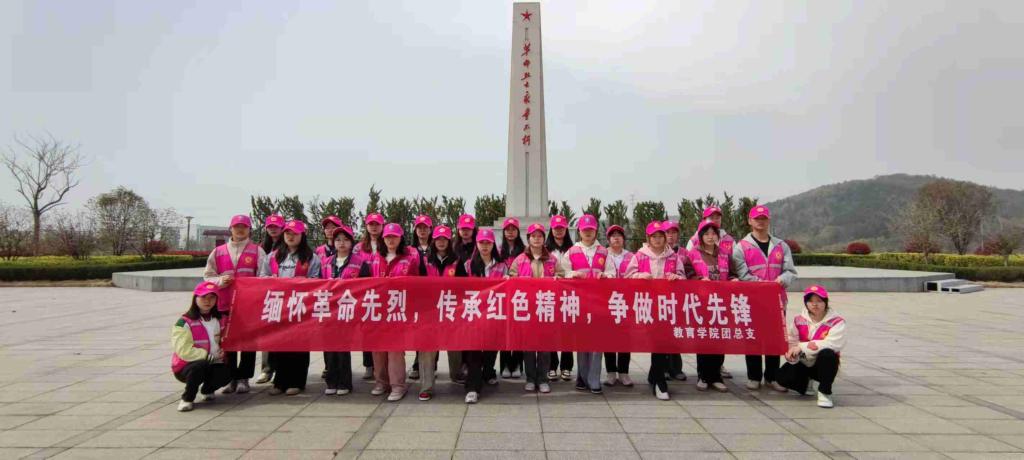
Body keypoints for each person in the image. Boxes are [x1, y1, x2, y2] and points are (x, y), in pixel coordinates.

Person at [732, 205, 797, 391]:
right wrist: (764, 286)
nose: (760, 221)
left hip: (777, 301)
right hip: (752, 301)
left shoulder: (781, 246)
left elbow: (790, 271)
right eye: (757, 218)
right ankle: (754, 377)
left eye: (764, 218)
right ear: (750, 221)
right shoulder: (741, 247)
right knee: (752, 338)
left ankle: (772, 377)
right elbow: (743, 274)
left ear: (769, 221)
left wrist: (782, 279)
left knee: (773, 339)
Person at [203, 214, 267, 395]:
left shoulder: (257, 251)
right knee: (227, 342)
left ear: (249, 230)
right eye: (236, 226)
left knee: (248, 343)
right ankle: (230, 378)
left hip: (248, 305)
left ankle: (244, 378)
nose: (240, 230)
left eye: (244, 227)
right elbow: (208, 275)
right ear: (230, 229)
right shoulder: (218, 252)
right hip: (224, 303)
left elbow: (263, 276)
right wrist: (219, 281)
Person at [259, 220, 321, 395]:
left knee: (299, 345)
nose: (291, 237)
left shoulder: (311, 257)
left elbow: (316, 280)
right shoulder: (273, 256)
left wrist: (301, 283)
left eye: (295, 233)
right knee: (279, 344)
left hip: (301, 306)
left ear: (302, 236)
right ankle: (280, 382)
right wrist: (270, 280)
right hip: (279, 306)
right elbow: (262, 276)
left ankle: (297, 381)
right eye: (287, 233)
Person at [625, 221, 684, 401]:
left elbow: (683, 277)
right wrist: (639, 276)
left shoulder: (673, 257)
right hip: (647, 306)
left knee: (663, 343)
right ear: (648, 238)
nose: (657, 240)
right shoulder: (640, 256)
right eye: (654, 237)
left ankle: (655, 377)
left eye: (660, 236)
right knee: (657, 342)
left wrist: (676, 277)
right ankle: (659, 382)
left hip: (667, 306)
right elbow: (627, 277)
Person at [508, 223, 565, 394]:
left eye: (540, 236)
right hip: (527, 308)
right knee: (528, 346)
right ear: (528, 239)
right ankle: (530, 378)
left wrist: (557, 278)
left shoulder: (552, 259)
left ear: (544, 239)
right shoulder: (520, 259)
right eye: (533, 236)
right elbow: (512, 276)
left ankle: (543, 379)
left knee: (545, 347)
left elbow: (561, 275)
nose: (537, 239)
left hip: (545, 308)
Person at [366, 223, 420, 402]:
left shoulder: (409, 259)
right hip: (377, 308)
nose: (390, 240)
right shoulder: (375, 258)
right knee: (378, 349)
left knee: (395, 349)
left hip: (398, 309)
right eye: (388, 237)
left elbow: (415, 285)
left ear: (400, 238)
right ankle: (381, 382)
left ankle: (398, 385)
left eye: (394, 237)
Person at [561, 214, 612, 395]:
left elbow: (612, 272)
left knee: (597, 344)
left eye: (591, 230)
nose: (588, 233)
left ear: (596, 231)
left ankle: (594, 380)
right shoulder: (572, 251)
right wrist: (572, 274)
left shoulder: (604, 251)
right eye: (585, 230)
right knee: (582, 343)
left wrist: (606, 276)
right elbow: (563, 272)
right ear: (579, 232)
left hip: (598, 303)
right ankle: (582, 378)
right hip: (579, 303)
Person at [686, 219, 737, 392]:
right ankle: (703, 375)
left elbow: (732, 273)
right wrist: (700, 280)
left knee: (719, 339)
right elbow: (688, 274)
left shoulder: (724, 253)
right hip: (701, 302)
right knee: (703, 338)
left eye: (713, 233)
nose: (710, 236)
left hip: (721, 303)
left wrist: (733, 279)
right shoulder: (692, 254)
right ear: (700, 236)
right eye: (706, 233)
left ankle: (716, 376)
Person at [458, 228, 508, 404]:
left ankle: (488, 372)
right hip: (473, 314)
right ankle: (472, 388)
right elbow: (459, 289)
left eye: (488, 243)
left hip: (493, 313)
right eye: (481, 243)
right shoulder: (467, 266)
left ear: (493, 245)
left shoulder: (502, 266)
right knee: (473, 351)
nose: (485, 246)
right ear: (476, 244)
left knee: (490, 348)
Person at [777, 285, 846, 408]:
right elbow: (792, 340)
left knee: (828, 354)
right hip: (805, 360)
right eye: (810, 301)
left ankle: (825, 392)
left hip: (823, 364)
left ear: (825, 302)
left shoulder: (837, 322)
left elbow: (833, 343)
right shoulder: (799, 320)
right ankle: (807, 381)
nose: (814, 304)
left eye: (819, 301)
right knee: (781, 378)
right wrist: (792, 354)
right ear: (806, 303)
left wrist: (802, 347)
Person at [323, 224, 368, 395]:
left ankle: (344, 383)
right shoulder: (326, 262)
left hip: (348, 310)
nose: (341, 243)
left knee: (342, 347)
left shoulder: (360, 263)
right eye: (338, 240)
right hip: (328, 310)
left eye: (346, 240)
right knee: (329, 347)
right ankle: (331, 382)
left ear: (351, 242)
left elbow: (365, 287)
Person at [172, 281, 231, 412]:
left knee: (227, 373)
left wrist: (223, 351)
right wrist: (207, 356)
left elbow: (226, 339)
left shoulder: (221, 319)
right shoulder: (184, 322)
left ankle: (207, 390)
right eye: (203, 297)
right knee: (199, 366)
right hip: (187, 365)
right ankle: (187, 399)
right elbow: (183, 350)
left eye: (212, 297)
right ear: (195, 298)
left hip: (213, 361)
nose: (207, 301)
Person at [417, 224, 460, 401]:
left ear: (450, 241)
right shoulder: (425, 260)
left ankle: (456, 374)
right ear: (433, 241)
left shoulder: (457, 261)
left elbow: (465, 285)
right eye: (438, 239)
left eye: (445, 239)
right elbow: (417, 283)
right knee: (427, 348)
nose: (441, 242)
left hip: (452, 309)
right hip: (430, 311)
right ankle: (426, 386)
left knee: (456, 345)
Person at [354, 212, 385, 381]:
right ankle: (369, 365)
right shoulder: (358, 247)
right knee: (367, 329)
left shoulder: (387, 243)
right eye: (371, 224)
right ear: (366, 226)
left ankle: (383, 365)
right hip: (365, 293)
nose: (374, 227)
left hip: (384, 292)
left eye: (377, 224)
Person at [603, 224, 634, 387]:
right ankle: (611, 372)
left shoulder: (631, 256)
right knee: (608, 337)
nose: (616, 238)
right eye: (613, 235)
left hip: (626, 301)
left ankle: (624, 372)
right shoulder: (603, 255)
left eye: (619, 235)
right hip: (606, 301)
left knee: (625, 337)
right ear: (608, 239)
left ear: (623, 239)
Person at [256, 213, 285, 385]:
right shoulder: (261, 249)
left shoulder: (288, 246)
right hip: (267, 296)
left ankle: (281, 370)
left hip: (286, 297)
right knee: (267, 333)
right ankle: (266, 369)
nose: (273, 230)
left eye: (276, 227)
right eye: (270, 227)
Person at [546, 214, 574, 381]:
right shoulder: (545, 249)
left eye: (561, 228)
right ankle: (551, 366)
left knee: (567, 331)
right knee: (550, 331)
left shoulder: (573, 249)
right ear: (551, 230)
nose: (558, 231)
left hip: (569, 295)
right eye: (555, 228)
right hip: (550, 295)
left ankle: (566, 366)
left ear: (566, 229)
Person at [498, 217, 526, 379]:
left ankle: (517, 365)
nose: (510, 232)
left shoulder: (524, 251)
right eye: (507, 230)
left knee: (518, 331)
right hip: (502, 295)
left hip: (519, 295)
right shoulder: (498, 250)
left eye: (513, 229)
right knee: (504, 331)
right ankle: (505, 365)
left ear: (517, 231)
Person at [663, 220, 688, 382]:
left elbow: (689, 272)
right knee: (662, 335)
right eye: (667, 233)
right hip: (661, 300)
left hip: (679, 300)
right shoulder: (657, 252)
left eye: (674, 232)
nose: (670, 236)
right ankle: (663, 368)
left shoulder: (685, 253)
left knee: (676, 334)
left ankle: (676, 368)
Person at [408, 214, 433, 381]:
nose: (422, 230)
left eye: (425, 228)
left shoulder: (437, 246)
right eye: (419, 228)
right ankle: (417, 364)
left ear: (430, 230)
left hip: (435, 295)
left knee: (433, 330)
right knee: (419, 330)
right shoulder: (409, 250)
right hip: (416, 296)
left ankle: (431, 364)